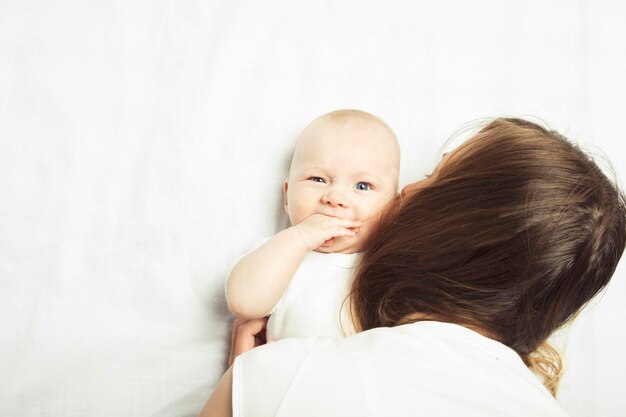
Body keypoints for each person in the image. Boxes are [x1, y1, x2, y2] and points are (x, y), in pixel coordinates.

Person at [202, 117, 626, 417]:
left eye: (434, 177)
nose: (407, 189)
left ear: (455, 233)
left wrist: (249, 387)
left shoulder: (283, 378)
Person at [225, 109, 400, 344]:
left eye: (362, 186)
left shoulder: (388, 263)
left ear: (393, 207)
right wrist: (300, 238)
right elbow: (243, 303)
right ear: (287, 196)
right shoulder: (283, 254)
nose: (335, 197)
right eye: (318, 179)